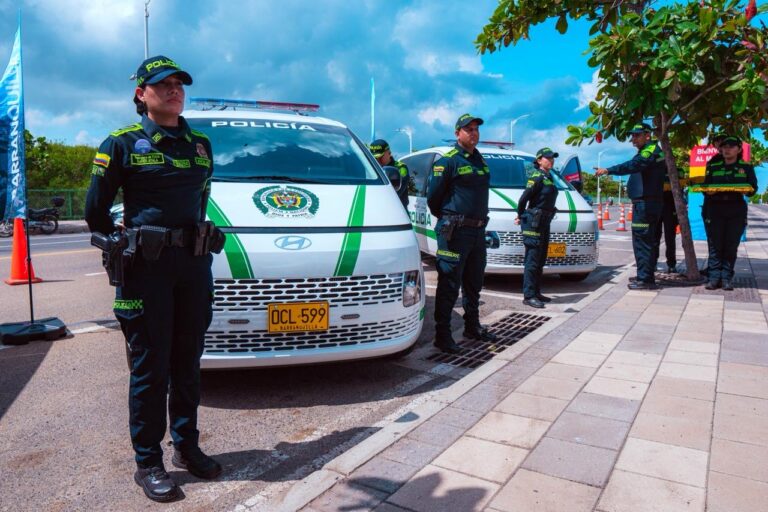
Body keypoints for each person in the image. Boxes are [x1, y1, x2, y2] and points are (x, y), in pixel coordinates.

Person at [85, 55, 223, 502]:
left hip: (193, 266)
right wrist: (119, 249)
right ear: (141, 95)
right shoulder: (121, 143)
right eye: (162, 85)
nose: (174, 90)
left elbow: (200, 199)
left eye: (179, 83)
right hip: (147, 270)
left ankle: (186, 446)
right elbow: (95, 213)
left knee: (188, 361)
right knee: (151, 366)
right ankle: (148, 462)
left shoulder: (200, 143)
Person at [427, 114, 498, 353]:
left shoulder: (480, 160)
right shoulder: (448, 162)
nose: (474, 133)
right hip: (455, 232)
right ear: (457, 133)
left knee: (474, 283)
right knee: (449, 283)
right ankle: (443, 335)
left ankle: (472, 326)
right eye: (468, 129)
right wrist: (451, 218)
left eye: (476, 129)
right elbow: (433, 199)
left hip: (478, 232)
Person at [596, 122, 666, 290]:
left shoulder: (650, 151)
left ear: (647, 135)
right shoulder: (647, 151)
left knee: (643, 242)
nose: (633, 139)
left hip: (646, 204)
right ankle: (645, 276)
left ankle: (646, 280)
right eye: (632, 135)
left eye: (637, 135)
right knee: (645, 241)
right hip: (646, 203)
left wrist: (609, 170)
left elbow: (634, 165)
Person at [701, 135, 757, 290]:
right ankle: (713, 278)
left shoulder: (746, 167)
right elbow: (705, 187)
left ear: (739, 149)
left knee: (731, 245)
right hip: (715, 208)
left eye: (731, 146)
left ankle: (726, 278)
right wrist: (708, 193)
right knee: (715, 245)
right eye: (724, 146)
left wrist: (747, 190)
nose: (727, 149)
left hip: (736, 209)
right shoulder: (713, 165)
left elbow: (753, 189)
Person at [515, 148, 559, 308]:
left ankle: (536, 292)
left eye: (552, 158)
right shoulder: (537, 177)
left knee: (540, 259)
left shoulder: (549, 177)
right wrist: (520, 216)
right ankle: (528, 295)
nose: (551, 160)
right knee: (532, 260)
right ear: (539, 160)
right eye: (547, 158)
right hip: (533, 222)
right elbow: (523, 199)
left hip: (544, 222)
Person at [370, 139, 411, 209]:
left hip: (398, 210)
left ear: (388, 153)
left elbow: (399, 189)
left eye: (380, 157)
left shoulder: (400, 167)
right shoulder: (370, 169)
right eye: (374, 158)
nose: (377, 160)